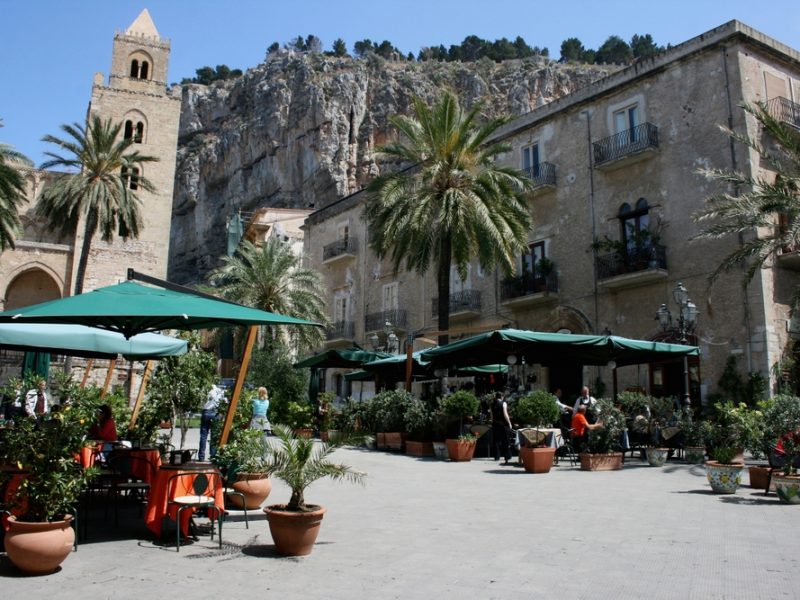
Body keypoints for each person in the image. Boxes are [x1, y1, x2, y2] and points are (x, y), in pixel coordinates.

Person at [198, 383, 225, 461]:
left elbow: (201, 402)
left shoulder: (204, 389)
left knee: (203, 436)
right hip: (215, 413)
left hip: (206, 412)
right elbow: (224, 401)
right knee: (214, 436)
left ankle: (201, 457)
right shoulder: (220, 391)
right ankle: (213, 456)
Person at [491, 391, 514, 464]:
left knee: (496, 440)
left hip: (495, 424)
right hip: (503, 424)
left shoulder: (492, 404)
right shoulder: (504, 403)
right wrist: (509, 423)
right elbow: (505, 414)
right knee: (505, 440)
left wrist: (493, 421)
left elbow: (491, 415)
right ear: (502, 397)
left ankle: (496, 456)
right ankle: (507, 456)